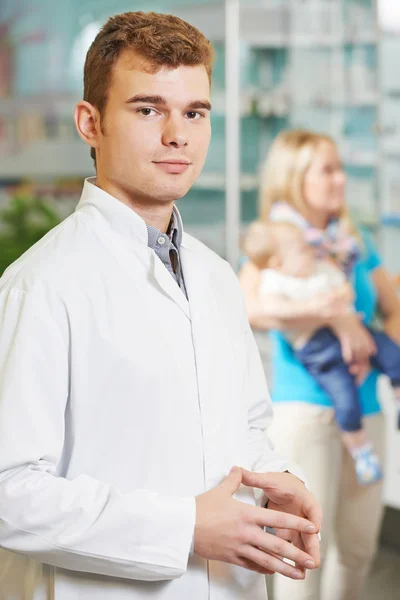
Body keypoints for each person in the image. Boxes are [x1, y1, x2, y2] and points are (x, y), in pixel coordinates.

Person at [0, 13, 322, 600]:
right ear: (89, 122)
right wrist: (186, 527)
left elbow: (246, 427)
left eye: (194, 112)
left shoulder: (216, 276)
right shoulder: (41, 285)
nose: (178, 134)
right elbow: (9, 493)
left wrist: (280, 480)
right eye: (148, 109)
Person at [239, 128, 400, 600]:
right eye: (327, 169)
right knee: (303, 556)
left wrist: (371, 345)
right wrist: (336, 318)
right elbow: (248, 307)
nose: (340, 179)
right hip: (304, 414)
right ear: (294, 179)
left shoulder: (354, 242)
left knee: (357, 548)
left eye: (340, 168)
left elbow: (393, 308)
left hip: (366, 407)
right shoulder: (274, 242)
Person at [243, 220, 400, 484]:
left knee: (392, 353)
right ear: (277, 263)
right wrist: (320, 309)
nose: (310, 252)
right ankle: (361, 452)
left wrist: (340, 300)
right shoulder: (273, 282)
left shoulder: (321, 267)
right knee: (345, 397)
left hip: (350, 333)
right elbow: (261, 310)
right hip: (318, 349)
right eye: (301, 250)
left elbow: (345, 289)